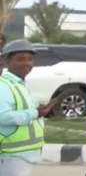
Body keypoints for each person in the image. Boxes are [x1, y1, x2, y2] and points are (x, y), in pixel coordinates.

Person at [0, 40, 53, 176]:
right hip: (10, 156)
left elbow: (26, 110)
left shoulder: (20, 84)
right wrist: (35, 113)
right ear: (6, 61)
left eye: (30, 59)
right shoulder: (3, 86)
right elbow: (3, 116)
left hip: (22, 155)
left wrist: (42, 111)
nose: (27, 63)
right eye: (20, 59)